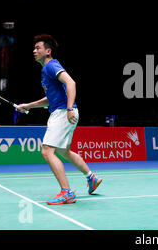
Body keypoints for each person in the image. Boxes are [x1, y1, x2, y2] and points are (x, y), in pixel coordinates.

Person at [16, 34, 102, 205]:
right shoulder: (45, 71)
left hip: (64, 112)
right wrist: (28, 105)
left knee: (47, 151)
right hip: (64, 110)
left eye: (38, 48)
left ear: (48, 51)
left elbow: (71, 83)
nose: (34, 51)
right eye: (34, 48)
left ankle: (66, 192)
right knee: (64, 151)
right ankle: (91, 177)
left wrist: (69, 108)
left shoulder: (51, 65)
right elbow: (50, 98)